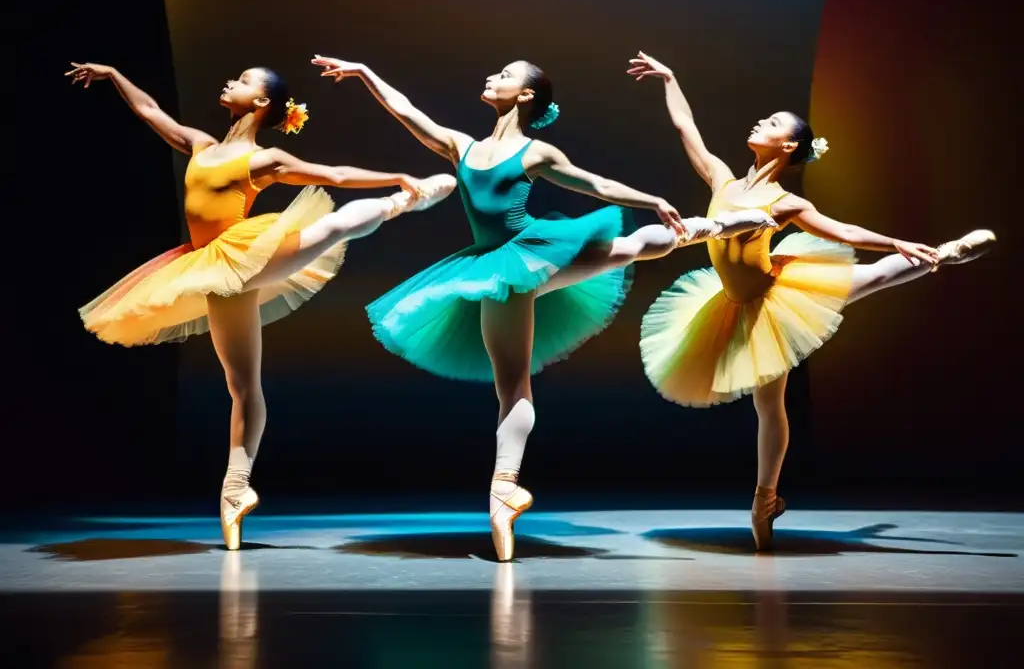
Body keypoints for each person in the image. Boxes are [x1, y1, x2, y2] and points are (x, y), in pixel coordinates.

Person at [312, 55, 775, 560]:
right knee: (511, 385)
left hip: (536, 252)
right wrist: (364, 72)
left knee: (643, 243)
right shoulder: (461, 146)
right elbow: (405, 111)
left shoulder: (537, 153)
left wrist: (651, 199)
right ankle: (504, 492)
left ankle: (728, 224)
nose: (492, 77)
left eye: (505, 74)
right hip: (491, 268)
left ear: (527, 96)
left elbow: (593, 184)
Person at [68, 62, 456, 549]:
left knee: (332, 227)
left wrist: (396, 177)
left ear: (259, 104)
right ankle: (236, 489)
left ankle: (402, 203)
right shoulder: (202, 145)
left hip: (249, 252)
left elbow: (332, 174)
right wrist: (114, 74)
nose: (230, 80)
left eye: (244, 80)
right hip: (215, 270)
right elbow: (150, 110)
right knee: (242, 387)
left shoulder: (263, 159)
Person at [629, 51, 996, 550]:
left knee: (875, 277)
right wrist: (670, 78)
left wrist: (895, 240)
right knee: (768, 406)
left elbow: (841, 230)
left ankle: (939, 254)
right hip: (736, 305)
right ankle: (767, 500)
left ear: (788, 145)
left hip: (781, 296)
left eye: (773, 121)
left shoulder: (786, 202)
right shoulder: (722, 179)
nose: (761, 121)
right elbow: (685, 128)